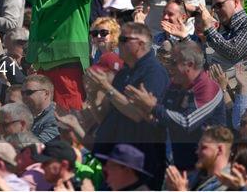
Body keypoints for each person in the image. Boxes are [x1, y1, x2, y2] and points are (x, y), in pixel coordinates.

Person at [90, 22, 169, 189]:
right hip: (116, 159)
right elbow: (107, 116)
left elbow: (139, 114)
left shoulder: (154, 72)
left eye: (123, 39)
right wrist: (94, 95)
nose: (118, 43)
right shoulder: (125, 72)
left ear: (140, 44)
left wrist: (107, 88)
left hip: (139, 165)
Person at [128, 41, 226, 171]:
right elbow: (163, 119)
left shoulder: (208, 88)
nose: (169, 67)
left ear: (189, 65)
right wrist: (144, 109)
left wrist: (153, 107)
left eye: (173, 63)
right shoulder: (175, 85)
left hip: (209, 169)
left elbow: (186, 122)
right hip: (181, 165)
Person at [165, 126, 233, 191]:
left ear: (220, 149)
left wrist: (181, 190)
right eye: (198, 148)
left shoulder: (229, 184)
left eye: (203, 148)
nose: (197, 152)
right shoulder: (199, 177)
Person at [21, 75, 60, 143]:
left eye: (29, 92)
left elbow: (37, 148)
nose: (24, 97)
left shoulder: (55, 118)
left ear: (46, 94)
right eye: (22, 93)